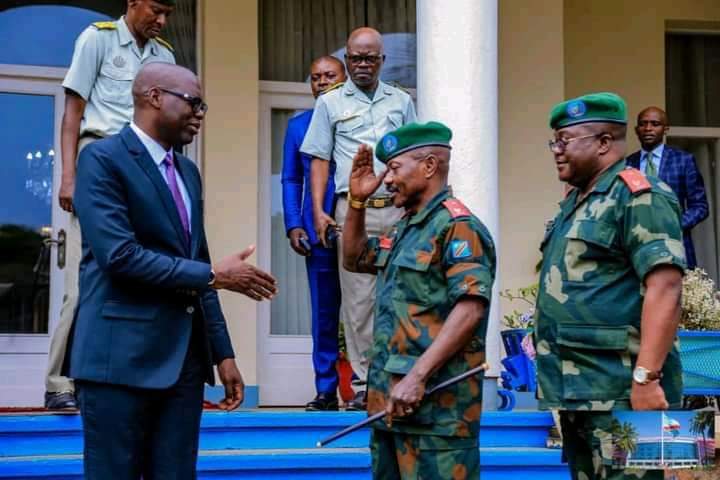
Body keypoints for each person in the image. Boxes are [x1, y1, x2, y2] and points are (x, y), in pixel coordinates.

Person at [68, 62, 278, 479]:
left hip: (183, 365)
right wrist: (215, 276)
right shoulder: (101, 159)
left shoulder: (187, 172)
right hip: (118, 362)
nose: (201, 113)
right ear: (154, 97)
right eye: (194, 102)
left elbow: (199, 260)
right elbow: (121, 257)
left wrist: (223, 353)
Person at [535, 93, 686, 480]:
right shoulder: (574, 204)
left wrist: (647, 378)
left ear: (604, 143)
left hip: (625, 392)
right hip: (580, 391)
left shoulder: (640, 196)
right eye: (554, 141)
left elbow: (666, 286)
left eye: (565, 140)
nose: (556, 150)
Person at [342, 121, 496, 479]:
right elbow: (354, 258)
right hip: (391, 409)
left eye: (395, 168)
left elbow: (471, 307)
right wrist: (357, 202)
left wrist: (417, 376)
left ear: (429, 166)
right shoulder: (406, 229)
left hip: (437, 416)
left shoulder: (458, 227)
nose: (388, 179)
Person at [46, 0, 177, 410]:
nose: (162, 20)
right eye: (156, 10)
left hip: (145, 164)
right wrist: (69, 175)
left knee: (141, 274)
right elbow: (73, 114)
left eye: (168, 13)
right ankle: (60, 383)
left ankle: (120, 378)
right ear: (132, 3)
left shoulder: (165, 56)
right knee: (86, 279)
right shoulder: (97, 39)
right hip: (99, 156)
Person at [301, 27, 417, 410]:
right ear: (347, 60)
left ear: (382, 60)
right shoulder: (330, 103)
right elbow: (319, 159)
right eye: (355, 58)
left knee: (400, 294)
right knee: (358, 301)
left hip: (397, 210)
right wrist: (318, 211)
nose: (362, 64)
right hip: (352, 213)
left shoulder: (401, 101)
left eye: (370, 58)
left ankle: (399, 375)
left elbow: (414, 156)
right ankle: (368, 384)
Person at [281, 55, 347, 411]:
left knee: (360, 308)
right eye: (315, 78)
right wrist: (293, 223)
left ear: (345, 78)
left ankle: (365, 387)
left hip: (357, 225)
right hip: (315, 230)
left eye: (330, 76)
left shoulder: (355, 120)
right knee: (323, 310)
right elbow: (292, 178)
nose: (322, 82)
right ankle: (326, 390)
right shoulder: (298, 125)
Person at [626, 106, 708, 269]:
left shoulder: (683, 160)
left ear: (665, 129)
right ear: (636, 130)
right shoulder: (627, 164)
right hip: (637, 248)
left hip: (676, 244)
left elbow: (700, 206)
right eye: (643, 124)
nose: (648, 128)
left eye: (655, 124)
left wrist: (675, 225)